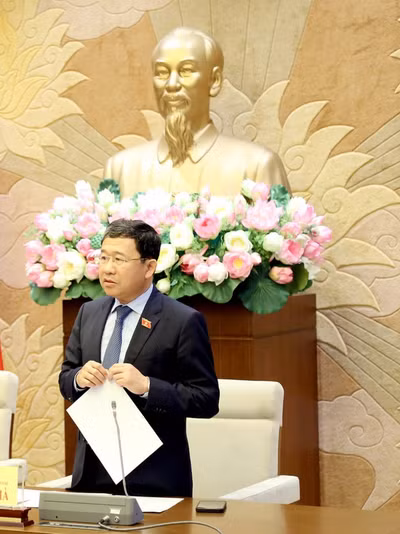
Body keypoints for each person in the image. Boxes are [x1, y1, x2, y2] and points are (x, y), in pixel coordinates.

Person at [59, 219, 219, 497]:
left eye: (119, 259)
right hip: (91, 475)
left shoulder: (182, 321)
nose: (108, 268)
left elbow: (206, 399)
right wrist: (78, 378)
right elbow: (66, 377)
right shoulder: (89, 313)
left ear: (149, 267)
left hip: (154, 479)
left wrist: (147, 386)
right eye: (104, 257)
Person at [105, 27, 291, 197]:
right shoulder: (121, 169)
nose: (171, 84)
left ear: (214, 80)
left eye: (186, 71)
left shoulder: (257, 167)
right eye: (162, 73)